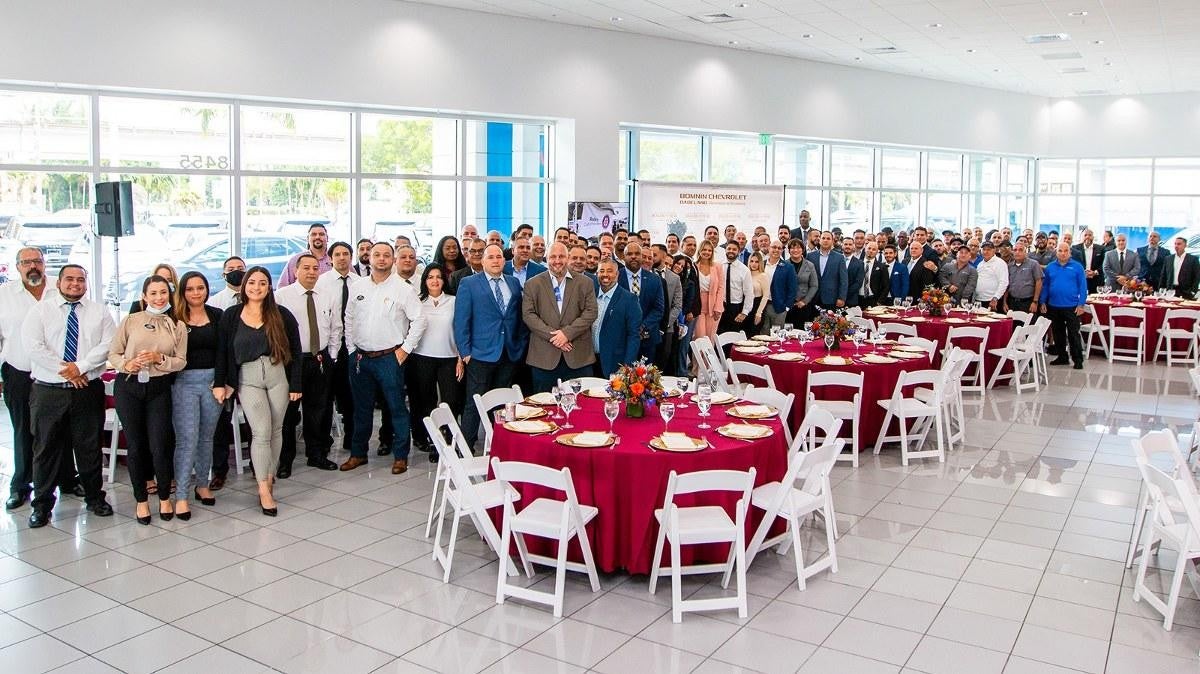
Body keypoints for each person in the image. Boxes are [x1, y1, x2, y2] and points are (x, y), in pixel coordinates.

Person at [22, 264, 115, 527]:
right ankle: (42, 506)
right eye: (69, 279)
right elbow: (34, 347)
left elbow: (108, 344)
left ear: (86, 283)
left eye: (80, 279)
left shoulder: (99, 311)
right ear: (59, 282)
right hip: (48, 391)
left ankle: (95, 498)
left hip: (87, 390)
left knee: (89, 447)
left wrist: (81, 367)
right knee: (45, 449)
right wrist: (69, 371)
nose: (75, 284)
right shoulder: (41, 311)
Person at [213, 267, 303, 515]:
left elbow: (296, 351)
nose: (256, 287)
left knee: (276, 429)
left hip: (277, 375)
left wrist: (296, 384)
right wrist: (220, 382)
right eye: (252, 282)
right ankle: (263, 488)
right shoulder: (231, 315)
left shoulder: (281, 314)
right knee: (261, 431)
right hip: (248, 378)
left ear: (269, 287)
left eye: (262, 283)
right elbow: (222, 352)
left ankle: (269, 475)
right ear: (244, 286)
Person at [341, 243, 426, 475]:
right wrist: (351, 349)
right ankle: (358, 453)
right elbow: (349, 317)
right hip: (360, 357)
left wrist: (405, 350)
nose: (381, 259)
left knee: (396, 407)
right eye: (376, 254)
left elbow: (420, 320)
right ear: (369, 258)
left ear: (393, 260)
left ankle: (400, 456)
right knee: (361, 409)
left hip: (390, 358)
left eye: (386, 255)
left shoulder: (403, 289)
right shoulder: (358, 286)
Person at [110, 275, 188, 523]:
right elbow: (113, 353)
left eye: (163, 292)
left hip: (158, 387)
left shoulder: (177, 325)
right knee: (136, 445)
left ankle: (165, 498)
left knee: (160, 444)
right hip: (129, 386)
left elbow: (181, 361)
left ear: (170, 294)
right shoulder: (131, 320)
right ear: (144, 296)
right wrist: (126, 364)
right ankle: (141, 501)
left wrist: (159, 359)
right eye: (153, 293)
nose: (159, 297)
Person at [1, 248, 69, 511]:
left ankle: (67, 479)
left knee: (60, 429)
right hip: (19, 372)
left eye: (37, 262)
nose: (33, 266)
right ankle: (21, 485)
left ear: (44, 264)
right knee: (23, 430)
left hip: (56, 374)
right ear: (17, 266)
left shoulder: (59, 288)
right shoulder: (5, 295)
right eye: (26, 262)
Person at [454, 243, 528, 451]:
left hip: (508, 353)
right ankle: (465, 448)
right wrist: (465, 352)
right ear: (482, 260)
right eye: (491, 257)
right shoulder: (469, 283)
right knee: (474, 402)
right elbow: (461, 320)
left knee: (502, 403)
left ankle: (499, 445)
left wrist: (519, 345)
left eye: (498, 257)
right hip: (479, 354)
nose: (495, 260)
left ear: (504, 260)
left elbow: (518, 317)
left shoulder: (513, 282)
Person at [275, 254, 341, 477]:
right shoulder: (282, 296)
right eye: (306, 268)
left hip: (320, 359)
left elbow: (336, 327)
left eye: (315, 268)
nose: (312, 272)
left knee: (318, 410)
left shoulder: (328, 295)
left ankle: (317, 454)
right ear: (296, 271)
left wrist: (331, 355)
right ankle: (285, 460)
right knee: (288, 413)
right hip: (292, 362)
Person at [171, 271, 223, 515]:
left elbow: (224, 352)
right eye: (190, 289)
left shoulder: (217, 315)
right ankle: (181, 494)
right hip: (184, 383)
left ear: (206, 289)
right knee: (187, 439)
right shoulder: (174, 318)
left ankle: (202, 484)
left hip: (213, 384)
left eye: (200, 288)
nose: (195, 293)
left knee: (206, 438)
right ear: (183, 292)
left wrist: (222, 382)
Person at [522, 242, 598, 392]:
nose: (557, 261)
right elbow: (528, 315)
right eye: (553, 257)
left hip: (578, 357)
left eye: (561, 256)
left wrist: (567, 334)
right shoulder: (532, 284)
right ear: (546, 258)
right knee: (544, 403)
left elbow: (591, 312)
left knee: (580, 403)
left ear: (568, 258)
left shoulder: (586, 283)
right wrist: (556, 337)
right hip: (544, 358)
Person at [407, 264, 463, 462]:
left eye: (438, 277)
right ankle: (434, 441)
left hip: (449, 357)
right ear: (425, 281)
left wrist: (460, 357)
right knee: (427, 401)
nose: (435, 280)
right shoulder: (418, 301)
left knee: (450, 400)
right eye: (430, 277)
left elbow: (460, 329)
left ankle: (450, 439)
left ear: (444, 280)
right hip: (422, 357)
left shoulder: (454, 301)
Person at [316, 242, 360, 456]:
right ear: (330, 258)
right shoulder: (322, 282)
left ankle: (352, 439)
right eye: (337, 254)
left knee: (351, 395)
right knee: (325, 396)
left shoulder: (360, 282)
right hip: (329, 344)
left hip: (352, 345)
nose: (342, 258)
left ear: (351, 257)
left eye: (345, 254)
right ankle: (323, 442)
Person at [1040, 243, 1088, 370]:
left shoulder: (1077, 267)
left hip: (1072, 306)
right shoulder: (1050, 267)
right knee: (1058, 333)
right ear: (1056, 253)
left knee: (1073, 333)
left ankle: (1078, 359)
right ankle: (1062, 357)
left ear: (1070, 253)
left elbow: (1083, 287)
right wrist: (1043, 301)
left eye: (1066, 251)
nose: (1063, 253)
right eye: (1060, 251)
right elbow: (1046, 286)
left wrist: (1081, 304)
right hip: (1054, 305)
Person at [616, 242, 665, 359]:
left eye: (637, 254)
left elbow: (658, 309)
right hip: (621, 337)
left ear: (641, 256)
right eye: (629, 254)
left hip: (647, 338)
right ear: (624, 257)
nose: (633, 256)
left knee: (645, 371)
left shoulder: (655, 279)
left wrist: (642, 326)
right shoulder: (616, 277)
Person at [651, 244, 682, 374]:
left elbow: (677, 304)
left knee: (663, 359)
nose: (651, 258)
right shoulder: (647, 274)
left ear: (664, 256)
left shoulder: (675, 278)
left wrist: (666, 323)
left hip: (668, 328)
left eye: (654, 255)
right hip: (650, 326)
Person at [718, 240, 755, 334]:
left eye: (734, 249)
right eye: (729, 248)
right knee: (718, 336)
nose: (731, 251)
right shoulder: (718, 266)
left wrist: (744, 312)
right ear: (725, 250)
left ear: (738, 251)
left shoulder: (744, 270)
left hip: (735, 308)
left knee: (733, 336)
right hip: (720, 305)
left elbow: (749, 293)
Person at [672, 255, 700, 374]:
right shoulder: (665, 278)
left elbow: (689, 301)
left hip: (681, 318)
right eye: (678, 263)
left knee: (682, 346)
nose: (679, 267)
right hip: (668, 319)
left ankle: (681, 372)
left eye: (683, 266)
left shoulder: (689, 283)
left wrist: (681, 315)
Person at [692, 240, 725, 341]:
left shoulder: (718, 266)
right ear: (699, 251)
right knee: (700, 337)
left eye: (709, 250)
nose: (707, 252)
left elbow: (721, 287)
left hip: (714, 306)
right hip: (698, 306)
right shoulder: (694, 266)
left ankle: (711, 353)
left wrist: (718, 307)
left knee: (711, 337)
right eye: (704, 250)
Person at [806, 232, 848, 309]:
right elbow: (806, 277)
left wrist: (842, 297)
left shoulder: (840, 258)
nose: (825, 240)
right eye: (823, 238)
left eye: (828, 239)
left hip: (831, 299)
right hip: (813, 297)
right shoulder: (810, 256)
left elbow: (844, 280)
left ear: (832, 241)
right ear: (819, 240)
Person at [786, 238, 819, 325]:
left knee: (802, 330)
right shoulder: (784, 265)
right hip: (787, 305)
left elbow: (814, 285)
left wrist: (805, 301)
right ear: (789, 250)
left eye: (798, 247)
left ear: (803, 250)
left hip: (804, 305)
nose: (795, 250)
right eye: (792, 248)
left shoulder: (810, 265)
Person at [974, 242, 1010, 312]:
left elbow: (1004, 282)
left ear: (994, 250)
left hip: (993, 301)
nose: (986, 252)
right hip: (979, 300)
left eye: (988, 249)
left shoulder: (1000, 263)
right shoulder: (980, 264)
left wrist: (995, 298)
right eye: (984, 249)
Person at [1070, 229, 1105, 294]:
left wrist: (1095, 272)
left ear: (1093, 237)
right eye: (1085, 235)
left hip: (1096, 281)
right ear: (1082, 237)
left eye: (1090, 235)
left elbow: (1104, 263)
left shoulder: (1101, 248)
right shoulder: (1075, 248)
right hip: (1080, 280)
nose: (1087, 237)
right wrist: (1082, 272)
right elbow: (1073, 263)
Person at [746, 252, 771, 334]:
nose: (754, 264)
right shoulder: (746, 274)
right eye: (752, 261)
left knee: (754, 334)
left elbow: (766, 296)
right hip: (745, 307)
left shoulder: (763, 276)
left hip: (757, 306)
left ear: (760, 263)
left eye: (756, 262)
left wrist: (759, 313)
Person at [841, 238, 864, 308]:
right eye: (845, 244)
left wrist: (843, 295)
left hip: (851, 300)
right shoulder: (835, 260)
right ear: (842, 245)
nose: (847, 246)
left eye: (850, 244)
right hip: (835, 299)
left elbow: (858, 283)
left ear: (853, 246)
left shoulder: (859, 263)